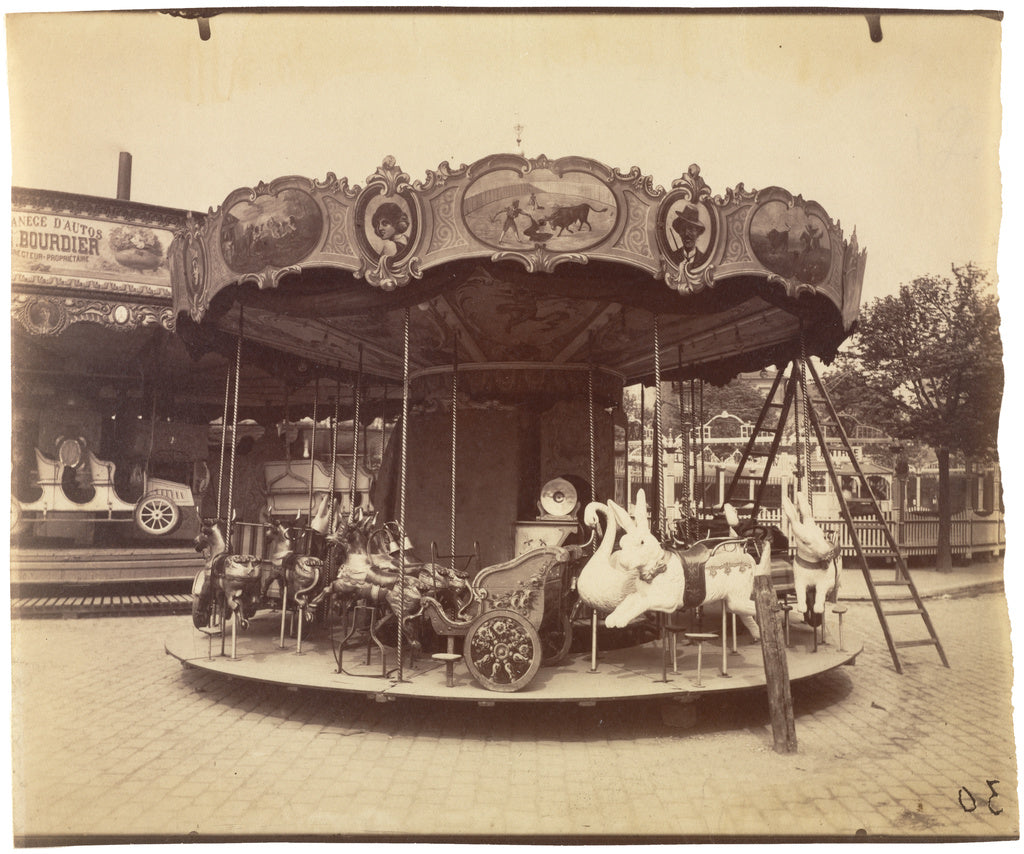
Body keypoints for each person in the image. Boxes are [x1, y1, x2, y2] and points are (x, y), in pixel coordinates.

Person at [670, 203, 706, 267]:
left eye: (691, 229)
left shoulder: (704, 259)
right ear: (679, 232)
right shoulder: (672, 257)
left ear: (698, 233)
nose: (686, 234)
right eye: (683, 229)